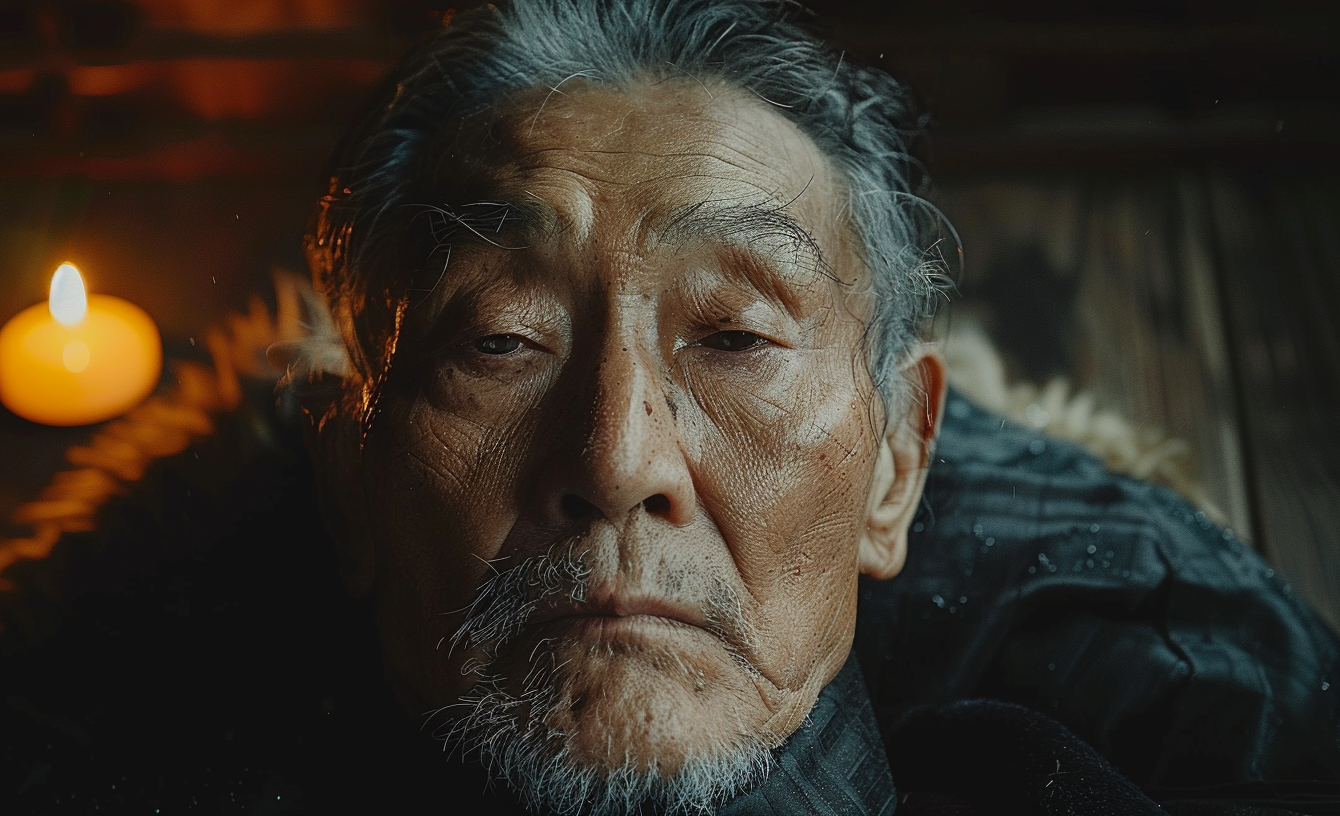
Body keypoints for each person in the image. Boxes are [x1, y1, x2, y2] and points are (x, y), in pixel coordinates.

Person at [291, 1, 1340, 814]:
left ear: (898, 462)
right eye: (501, 340)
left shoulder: (1183, 680)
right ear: (347, 478)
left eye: (736, 338)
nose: (618, 462)